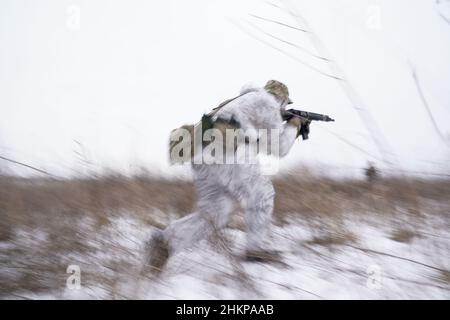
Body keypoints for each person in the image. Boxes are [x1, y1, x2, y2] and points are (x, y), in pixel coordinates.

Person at [148, 80, 307, 272]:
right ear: (281, 99)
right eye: (284, 104)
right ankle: (256, 248)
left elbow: (254, 139)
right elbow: (279, 148)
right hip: (228, 151)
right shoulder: (267, 102)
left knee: (216, 212)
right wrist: (294, 125)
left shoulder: (240, 101)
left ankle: (165, 243)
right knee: (262, 194)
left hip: (201, 153)